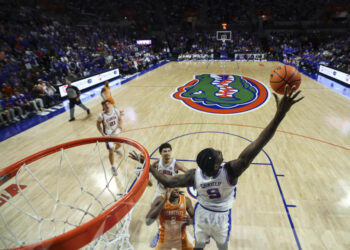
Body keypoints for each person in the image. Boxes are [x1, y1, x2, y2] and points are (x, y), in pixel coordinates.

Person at [148, 87, 304, 250]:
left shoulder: (194, 175)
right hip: (220, 218)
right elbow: (259, 143)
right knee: (223, 246)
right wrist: (280, 114)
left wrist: (149, 167)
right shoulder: (231, 170)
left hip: (201, 215)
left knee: (199, 245)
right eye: (217, 155)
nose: (219, 152)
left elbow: (166, 179)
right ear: (216, 165)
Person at [129, 142, 188, 247]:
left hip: (173, 192)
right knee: (155, 209)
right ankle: (160, 231)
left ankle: (180, 231)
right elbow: (149, 170)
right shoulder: (157, 163)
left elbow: (188, 173)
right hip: (160, 191)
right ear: (160, 153)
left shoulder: (176, 164)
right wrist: (148, 180)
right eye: (164, 151)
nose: (167, 153)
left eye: (169, 151)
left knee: (176, 213)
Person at [96, 100, 123, 176]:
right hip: (108, 135)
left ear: (110, 104)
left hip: (116, 132)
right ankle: (113, 167)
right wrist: (102, 133)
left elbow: (120, 119)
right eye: (105, 104)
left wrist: (120, 125)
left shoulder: (116, 111)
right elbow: (98, 124)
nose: (107, 105)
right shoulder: (101, 115)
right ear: (103, 106)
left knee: (119, 145)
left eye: (108, 103)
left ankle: (116, 150)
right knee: (111, 150)